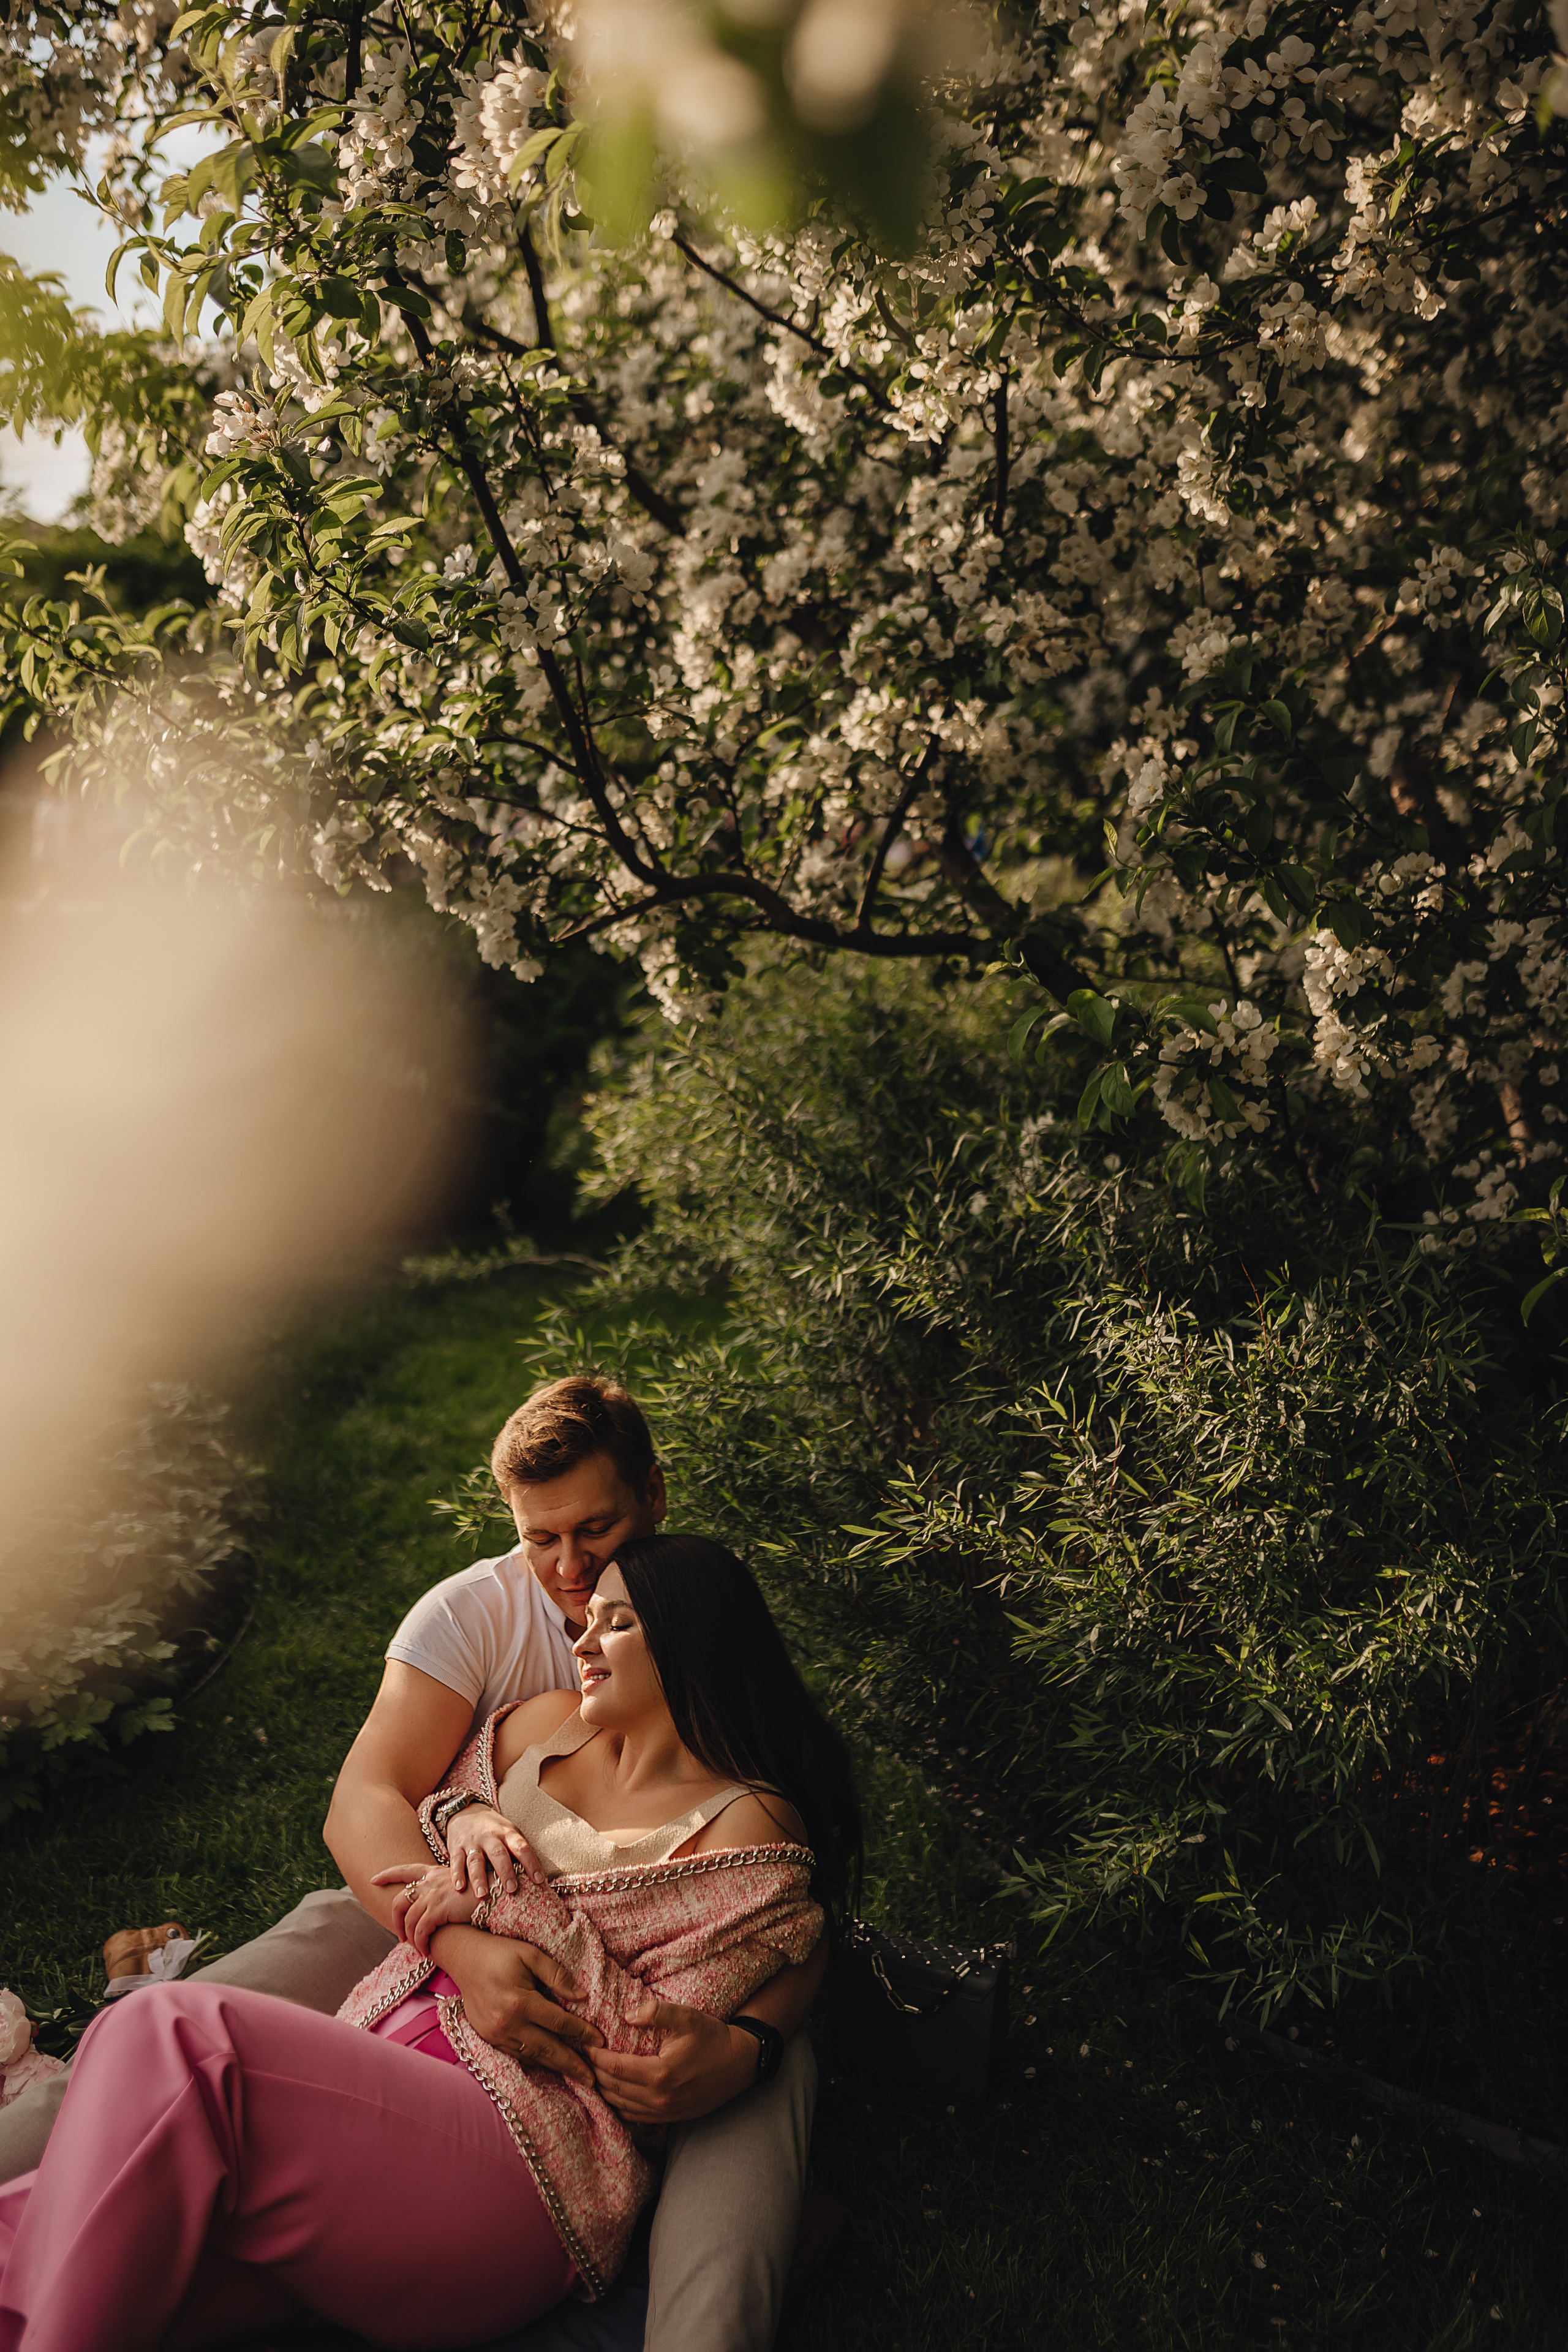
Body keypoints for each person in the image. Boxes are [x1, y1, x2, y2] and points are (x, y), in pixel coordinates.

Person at [0, 1379, 830, 2352]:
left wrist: (750, 2041)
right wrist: (465, 1874)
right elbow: (376, 1803)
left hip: (528, 2151)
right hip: (394, 1987)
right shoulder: (491, 1645)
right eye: (540, 1541)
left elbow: (784, 1918)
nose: (573, 1590)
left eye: (596, 1538)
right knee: (51, 2213)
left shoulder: (715, 1688)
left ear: (652, 1497)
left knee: (179, 2035)